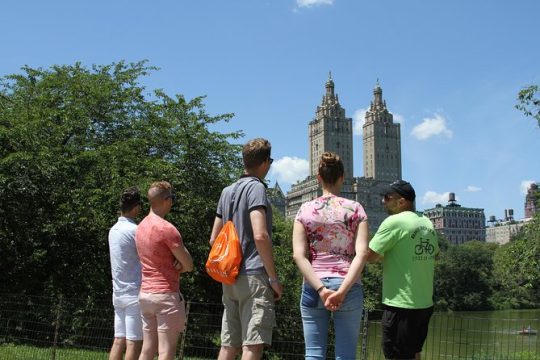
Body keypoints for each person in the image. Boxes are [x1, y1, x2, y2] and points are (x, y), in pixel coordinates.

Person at [209, 138, 283, 360]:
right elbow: (260, 235)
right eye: (269, 160)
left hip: (229, 276)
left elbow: (214, 239)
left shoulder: (227, 191)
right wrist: (273, 278)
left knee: (229, 346)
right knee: (253, 344)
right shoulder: (256, 188)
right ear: (263, 163)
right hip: (253, 276)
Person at [292, 152, 369, 359]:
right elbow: (361, 254)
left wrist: (321, 289)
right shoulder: (355, 209)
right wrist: (342, 291)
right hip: (349, 285)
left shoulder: (305, 210)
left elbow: (299, 256)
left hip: (314, 286)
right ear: (342, 177)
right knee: (345, 355)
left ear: (318, 177)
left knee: (314, 354)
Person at [367, 180, 439, 360]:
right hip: (424, 304)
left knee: (396, 355)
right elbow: (434, 255)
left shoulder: (393, 222)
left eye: (387, 197)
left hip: (401, 305)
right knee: (414, 353)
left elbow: (369, 256)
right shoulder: (427, 223)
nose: (383, 201)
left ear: (402, 201)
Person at [135, 181, 193, 360]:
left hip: (145, 294)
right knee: (166, 351)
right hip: (165, 295)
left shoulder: (140, 228)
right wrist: (179, 265)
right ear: (166, 200)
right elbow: (189, 265)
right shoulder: (167, 229)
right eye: (172, 197)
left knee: (147, 349)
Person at [108, 187, 144, 360]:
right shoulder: (135, 231)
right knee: (134, 342)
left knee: (118, 340)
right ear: (136, 207)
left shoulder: (113, 230)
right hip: (134, 293)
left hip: (118, 292)